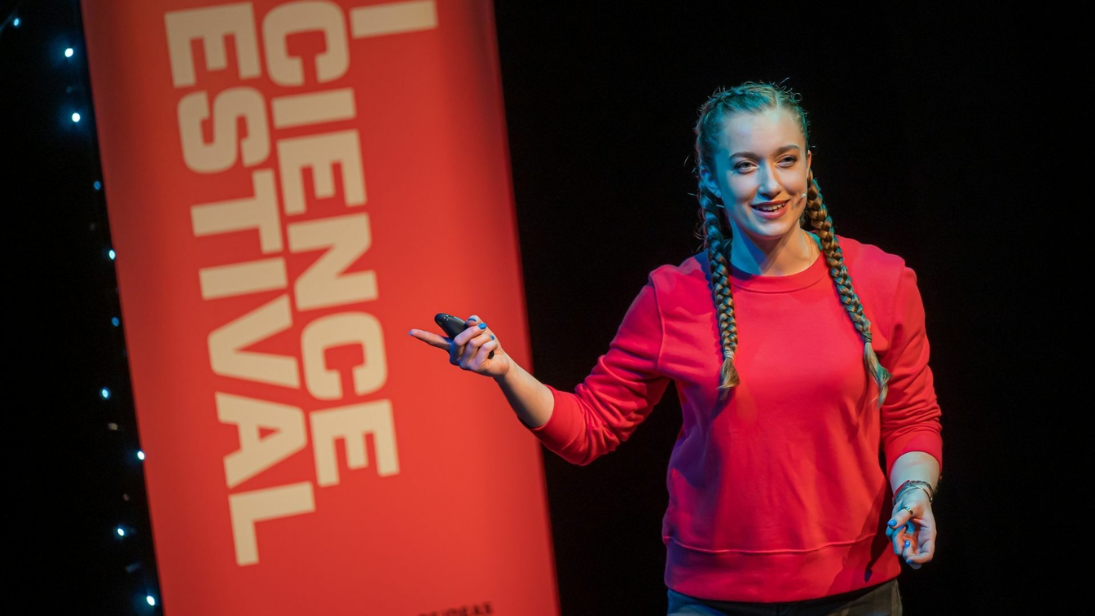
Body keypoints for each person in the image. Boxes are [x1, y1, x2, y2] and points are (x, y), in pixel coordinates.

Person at [408, 82, 942, 615]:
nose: (770, 184)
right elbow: (590, 429)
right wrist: (505, 371)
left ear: (809, 164)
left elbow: (911, 417)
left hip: (858, 591)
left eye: (785, 160)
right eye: (744, 165)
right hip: (714, 600)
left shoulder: (884, 281)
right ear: (711, 177)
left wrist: (914, 491)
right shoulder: (673, 297)